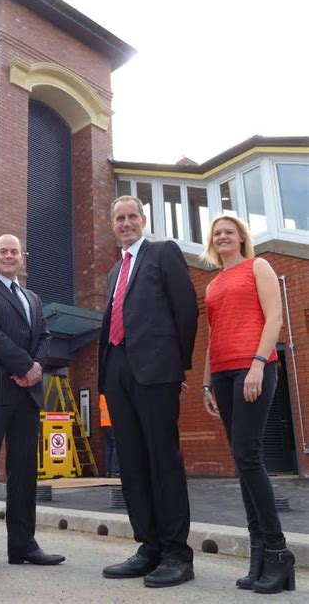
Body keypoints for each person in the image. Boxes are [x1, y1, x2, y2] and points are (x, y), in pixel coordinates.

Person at [98, 195, 198, 589]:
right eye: (118, 218)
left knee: (162, 459)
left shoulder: (162, 253)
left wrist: (178, 366)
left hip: (157, 370)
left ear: (143, 219)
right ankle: (149, 547)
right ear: (113, 225)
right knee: (132, 463)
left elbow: (186, 308)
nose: (125, 223)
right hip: (119, 372)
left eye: (131, 217)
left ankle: (177, 553)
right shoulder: (112, 273)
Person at [0, 234, 65, 580]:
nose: (8, 256)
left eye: (14, 251)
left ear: (23, 257)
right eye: (2, 251)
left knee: (24, 472)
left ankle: (22, 545)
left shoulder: (32, 298)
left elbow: (46, 337)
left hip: (26, 395)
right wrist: (25, 366)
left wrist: (35, 368)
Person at [201, 214, 295, 595]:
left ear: (241, 237)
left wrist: (259, 362)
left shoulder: (259, 266)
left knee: (248, 455)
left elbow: (275, 316)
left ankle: (277, 551)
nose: (223, 236)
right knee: (241, 462)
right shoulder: (212, 284)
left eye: (229, 232)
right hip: (222, 374)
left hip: (253, 367)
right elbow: (212, 333)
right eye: (217, 233)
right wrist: (207, 381)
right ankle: (258, 554)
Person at [99, 393, 119, 477]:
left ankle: (108, 471)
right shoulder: (113, 394)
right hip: (112, 423)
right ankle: (115, 470)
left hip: (104, 424)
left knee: (108, 447)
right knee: (116, 446)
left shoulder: (102, 396)